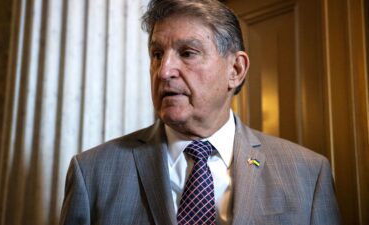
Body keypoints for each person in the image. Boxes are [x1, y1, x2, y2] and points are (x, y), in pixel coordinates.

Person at [59, 0, 341, 224]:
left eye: (187, 52)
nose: (164, 71)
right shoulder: (92, 172)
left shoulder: (308, 173)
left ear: (236, 70)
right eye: (157, 54)